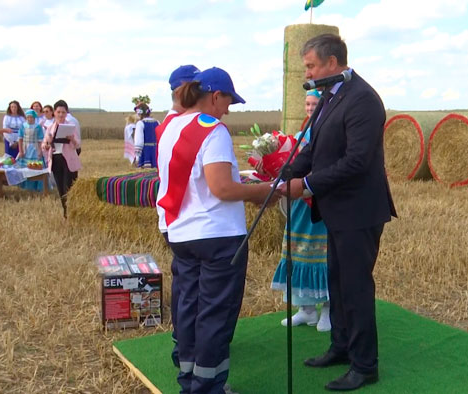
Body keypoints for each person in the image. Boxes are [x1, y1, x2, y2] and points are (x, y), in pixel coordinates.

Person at [280, 34, 397, 391]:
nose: (308, 73)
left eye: (312, 66)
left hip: (359, 210)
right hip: (336, 210)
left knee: (356, 287)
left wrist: (307, 184)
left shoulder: (362, 99)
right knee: (337, 282)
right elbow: (314, 149)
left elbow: (357, 162)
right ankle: (342, 347)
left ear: (333, 63)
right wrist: (283, 173)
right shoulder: (332, 95)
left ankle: (365, 365)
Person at [156, 67, 276, 394]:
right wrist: (264, 190)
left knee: (189, 309)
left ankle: (189, 379)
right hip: (217, 236)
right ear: (214, 96)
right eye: (227, 101)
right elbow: (222, 188)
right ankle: (208, 387)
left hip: (181, 232)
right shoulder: (213, 130)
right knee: (215, 315)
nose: (227, 109)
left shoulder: (171, 126)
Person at [270, 89, 331, 332]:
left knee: (322, 256)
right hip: (298, 204)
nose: (309, 107)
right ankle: (305, 309)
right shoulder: (299, 136)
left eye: (314, 103)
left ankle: (328, 308)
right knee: (297, 253)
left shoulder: (328, 133)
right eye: (307, 103)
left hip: (317, 203)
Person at [159, 64, 200, 371]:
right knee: (189, 289)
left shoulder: (171, 122)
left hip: (175, 217)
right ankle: (186, 345)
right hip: (183, 218)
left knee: (186, 286)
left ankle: (184, 342)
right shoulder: (179, 125)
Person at [41, 100, 81, 218]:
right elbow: (44, 144)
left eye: (63, 112)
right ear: (54, 112)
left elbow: (77, 144)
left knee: (68, 187)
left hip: (68, 160)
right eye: (58, 112)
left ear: (66, 113)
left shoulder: (71, 127)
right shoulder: (50, 128)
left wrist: (72, 139)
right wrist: (46, 145)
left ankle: (72, 212)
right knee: (60, 188)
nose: (61, 115)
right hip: (56, 159)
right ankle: (66, 213)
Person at [133, 103, 159, 168]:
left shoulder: (140, 123)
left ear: (139, 113)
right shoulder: (157, 122)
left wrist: (137, 157)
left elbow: (139, 142)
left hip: (145, 153)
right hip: (156, 152)